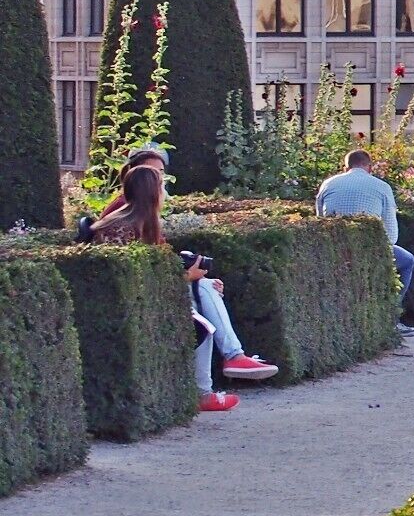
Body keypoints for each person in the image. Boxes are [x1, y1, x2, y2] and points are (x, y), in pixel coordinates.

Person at [86, 164, 278, 410]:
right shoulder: (122, 226)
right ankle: (212, 383)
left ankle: (232, 360)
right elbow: (131, 280)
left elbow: (156, 270)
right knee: (202, 327)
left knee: (206, 288)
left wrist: (193, 276)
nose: (165, 192)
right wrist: (187, 277)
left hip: (144, 297)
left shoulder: (139, 220)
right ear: (152, 191)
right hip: (128, 303)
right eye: (162, 186)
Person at [317, 150, 414, 335]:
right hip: (369, 247)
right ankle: (391, 316)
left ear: (345, 167)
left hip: (334, 248)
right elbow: (391, 230)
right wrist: (384, 249)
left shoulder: (328, 184)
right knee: (407, 261)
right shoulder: (381, 186)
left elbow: (320, 219)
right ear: (369, 167)